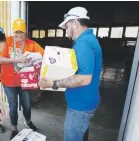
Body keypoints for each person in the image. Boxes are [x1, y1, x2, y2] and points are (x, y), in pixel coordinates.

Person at [38, 7, 102, 141]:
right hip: (84, 103)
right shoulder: (89, 39)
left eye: (67, 26)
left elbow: (84, 78)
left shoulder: (83, 42)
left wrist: (53, 83)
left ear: (75, 22)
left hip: (80, 106)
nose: (66, 31)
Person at [0, 18, 44, 140]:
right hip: (8, 82)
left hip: (25, 82)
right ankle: (14, 128)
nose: (19, 35)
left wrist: (35, 59)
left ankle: (28, 121)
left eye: (21, 32)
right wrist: (17, 60)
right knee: (13, 105)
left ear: (25, 32)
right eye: (16, 32)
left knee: (27, 105)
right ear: (13, 31)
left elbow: (43, 55)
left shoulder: (31, 44)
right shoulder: (7, 41)